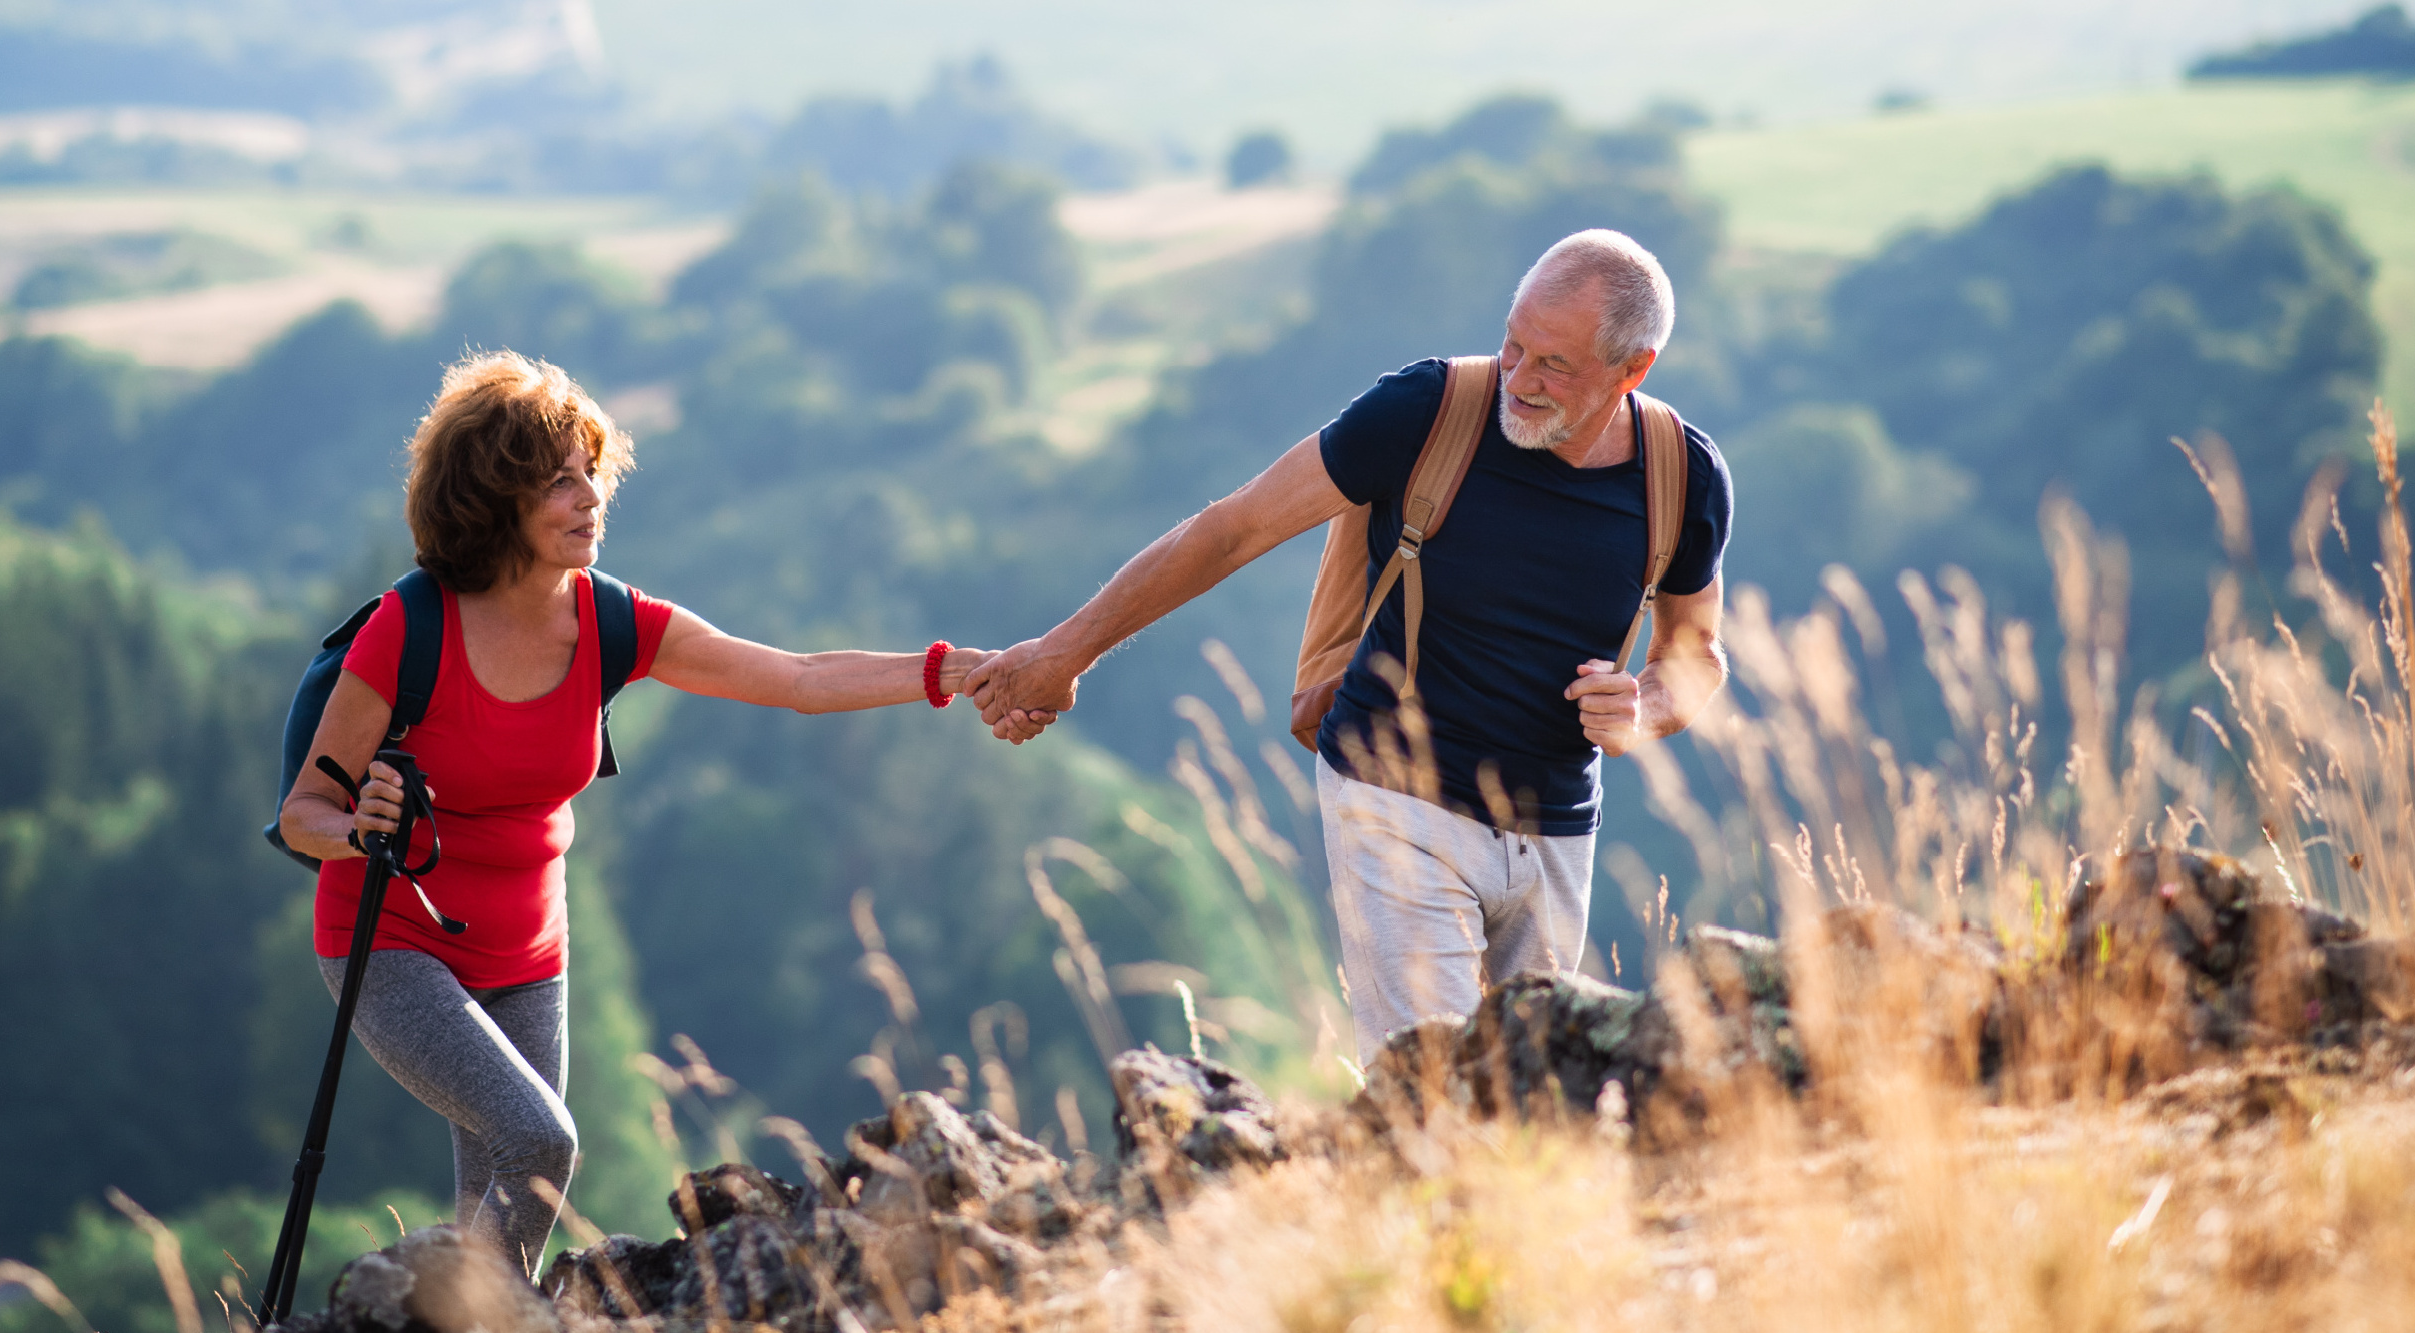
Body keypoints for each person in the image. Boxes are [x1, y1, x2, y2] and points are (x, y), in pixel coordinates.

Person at [276, 350, 1007, 1269]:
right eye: (557, 482)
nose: (589, 499)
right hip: (392, 945)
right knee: (541, 1143)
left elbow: (796, 678)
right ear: (492, 496)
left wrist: (945, 671)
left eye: (593, 475)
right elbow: (305, 810)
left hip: (529, 952)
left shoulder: (610, 622)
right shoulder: (409, 627)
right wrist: (358, 830)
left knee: (506, 1200)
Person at [966, 229, 1734, 1053]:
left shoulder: (1679, 474)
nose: (1518, 376)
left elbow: (1695, 653)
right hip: (1394, 798)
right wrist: (1060, 654)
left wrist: (1646, 706)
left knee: (1532, 1107)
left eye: (1553, 365)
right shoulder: (1424, 412)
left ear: (1632, 368)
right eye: (1512, 343)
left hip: (1555, 829)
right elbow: (1233, 528)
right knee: (1429, 1089)